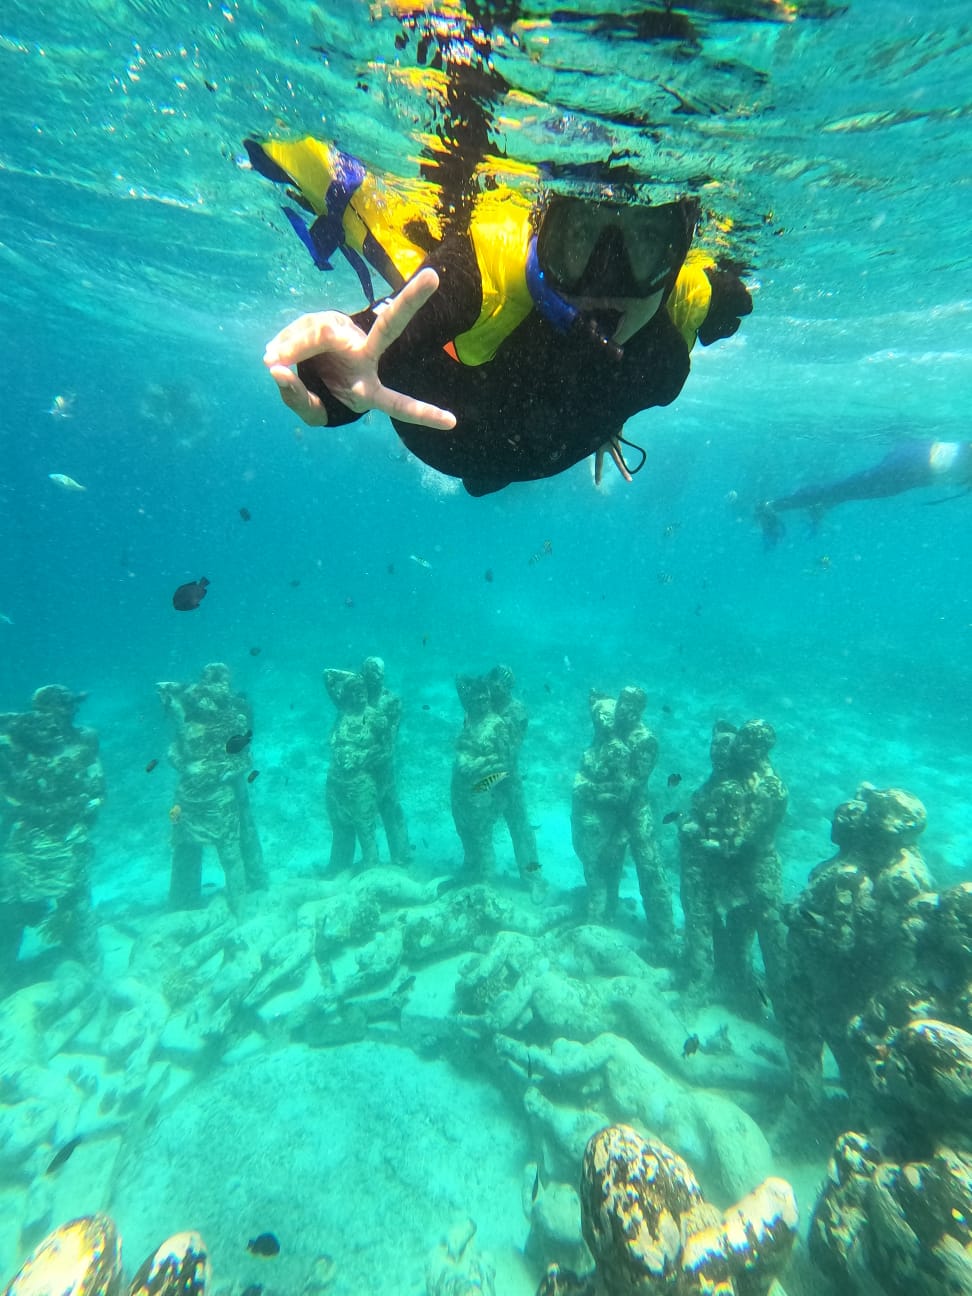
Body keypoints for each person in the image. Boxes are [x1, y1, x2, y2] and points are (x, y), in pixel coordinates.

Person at [250, 131, 751, 497]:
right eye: (577, 237)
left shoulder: (685, 302)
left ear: (677, 254)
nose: (605, 276)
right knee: (411, 260)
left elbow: (730, 305)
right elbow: (392, 327)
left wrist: (604, 414)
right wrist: (337, 374)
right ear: (543, 230)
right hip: (447, 439)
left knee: (486, 485)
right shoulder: (490, 269)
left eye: (645, 243)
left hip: (522, 450)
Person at [756, 440, 972, 545]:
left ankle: (817, 504)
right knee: (843, 488)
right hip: (914, 464)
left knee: (850, 490)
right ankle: (772, 506)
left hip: (916, 467)